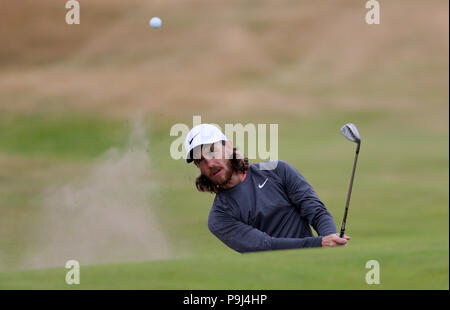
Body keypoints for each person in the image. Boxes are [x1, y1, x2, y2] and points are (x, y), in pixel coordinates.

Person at [184, 124, 350, 253]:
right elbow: (264, 246)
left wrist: (331, 240)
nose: (210, 163)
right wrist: (319, 243)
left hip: (315, 261)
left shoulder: (278, 170)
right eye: (200, 160)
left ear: (228, 147)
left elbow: (316, 211)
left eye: (212, 151)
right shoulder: (219, 217)